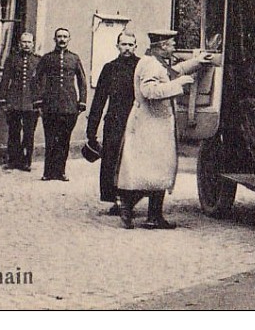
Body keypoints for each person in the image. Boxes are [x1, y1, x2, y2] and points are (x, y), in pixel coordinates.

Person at [115, 29, 209, 229]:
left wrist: (198, 61)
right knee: (154, 170)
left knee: (158, 170)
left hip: (154, 124)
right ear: (162, 46)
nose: (174, 47)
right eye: (172, 44)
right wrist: (178, 85)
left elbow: (174, 71)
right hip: (150, 125)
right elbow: (149, 91)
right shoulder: (150, 65)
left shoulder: (156, 62)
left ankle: (152, 216)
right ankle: (130, 205)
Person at [86, 31, 140, 215]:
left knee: (131, 162)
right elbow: (99, 100)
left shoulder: (141, 66)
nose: (127, 48)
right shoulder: (109, 68)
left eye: (130, 45)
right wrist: (91, 131)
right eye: (123, 44)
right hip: (114, 121)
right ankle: (116, 200)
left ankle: (129, 200)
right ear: (117, 46)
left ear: (135, 47)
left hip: (135, 121)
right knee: (112, 160)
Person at [35, 27, 87, 181]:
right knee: (50, 139)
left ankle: (61, 172)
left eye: (65, 37)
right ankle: (48, 172)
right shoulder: (47, 58)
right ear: (54, 39)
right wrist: (38, 101)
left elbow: (82, 81)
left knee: (64, 140)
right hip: (50, 105)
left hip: (69, 106)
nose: (62, 39)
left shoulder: (74, 58)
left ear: (69, 39)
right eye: (59, 37)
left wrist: (82, 101)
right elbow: (36, 80)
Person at [0, 31, 41, 171]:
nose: (26, 45)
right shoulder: (12, 59)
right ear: (19, 44)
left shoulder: (38, 61)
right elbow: (5, 80)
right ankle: (13, 160)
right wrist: (3, 99)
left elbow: (42, 83)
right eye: (24, 42)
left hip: (31, 103)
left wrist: (40, 102)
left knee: (29, 134)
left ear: (33, 44)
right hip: (14, 101)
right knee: (13, 132)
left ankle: (26, 161)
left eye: (29, 42)